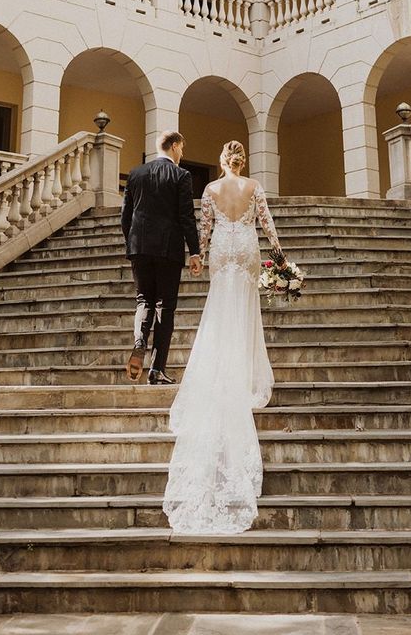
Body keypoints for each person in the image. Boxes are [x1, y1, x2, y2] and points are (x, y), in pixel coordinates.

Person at [163, 139, 285, 534]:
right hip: (247, 249)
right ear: (242, 161)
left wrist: (198, 255)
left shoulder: (210, 190)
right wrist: (279, 256)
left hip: (222, 251)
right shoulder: (254, 187)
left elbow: (205, 228)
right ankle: (245, 371)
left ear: (221, 162)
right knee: (246, 310)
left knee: (219, 306)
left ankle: (221, 368)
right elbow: (266, 223)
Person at [120, 130, 201, 385]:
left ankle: (139, 340)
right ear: (175, 146)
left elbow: (126, 215)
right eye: (182, 148)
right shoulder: (181, 175)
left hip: (139, 246)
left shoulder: (135, 174)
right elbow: (186, 217)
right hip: (168, 249)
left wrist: (131, 241)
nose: (182, 153)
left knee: (144, 299)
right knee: (165, 306)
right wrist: (195, 251)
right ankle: (156, 369)